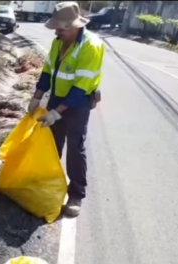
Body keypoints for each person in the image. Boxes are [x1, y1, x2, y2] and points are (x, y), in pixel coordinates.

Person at [28, 2, 105, 217]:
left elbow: (81, 87)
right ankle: (50, 185)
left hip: (78, 103)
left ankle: (76, 194)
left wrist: (56, 112)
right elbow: (47, 71)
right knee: (51, 144)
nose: (57, 31)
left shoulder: (91, 46)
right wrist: (37, 97)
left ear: (75, 26)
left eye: (61, 28)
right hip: (57, 98)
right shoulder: (57, 42)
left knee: (75, 148)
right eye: (56, 27)